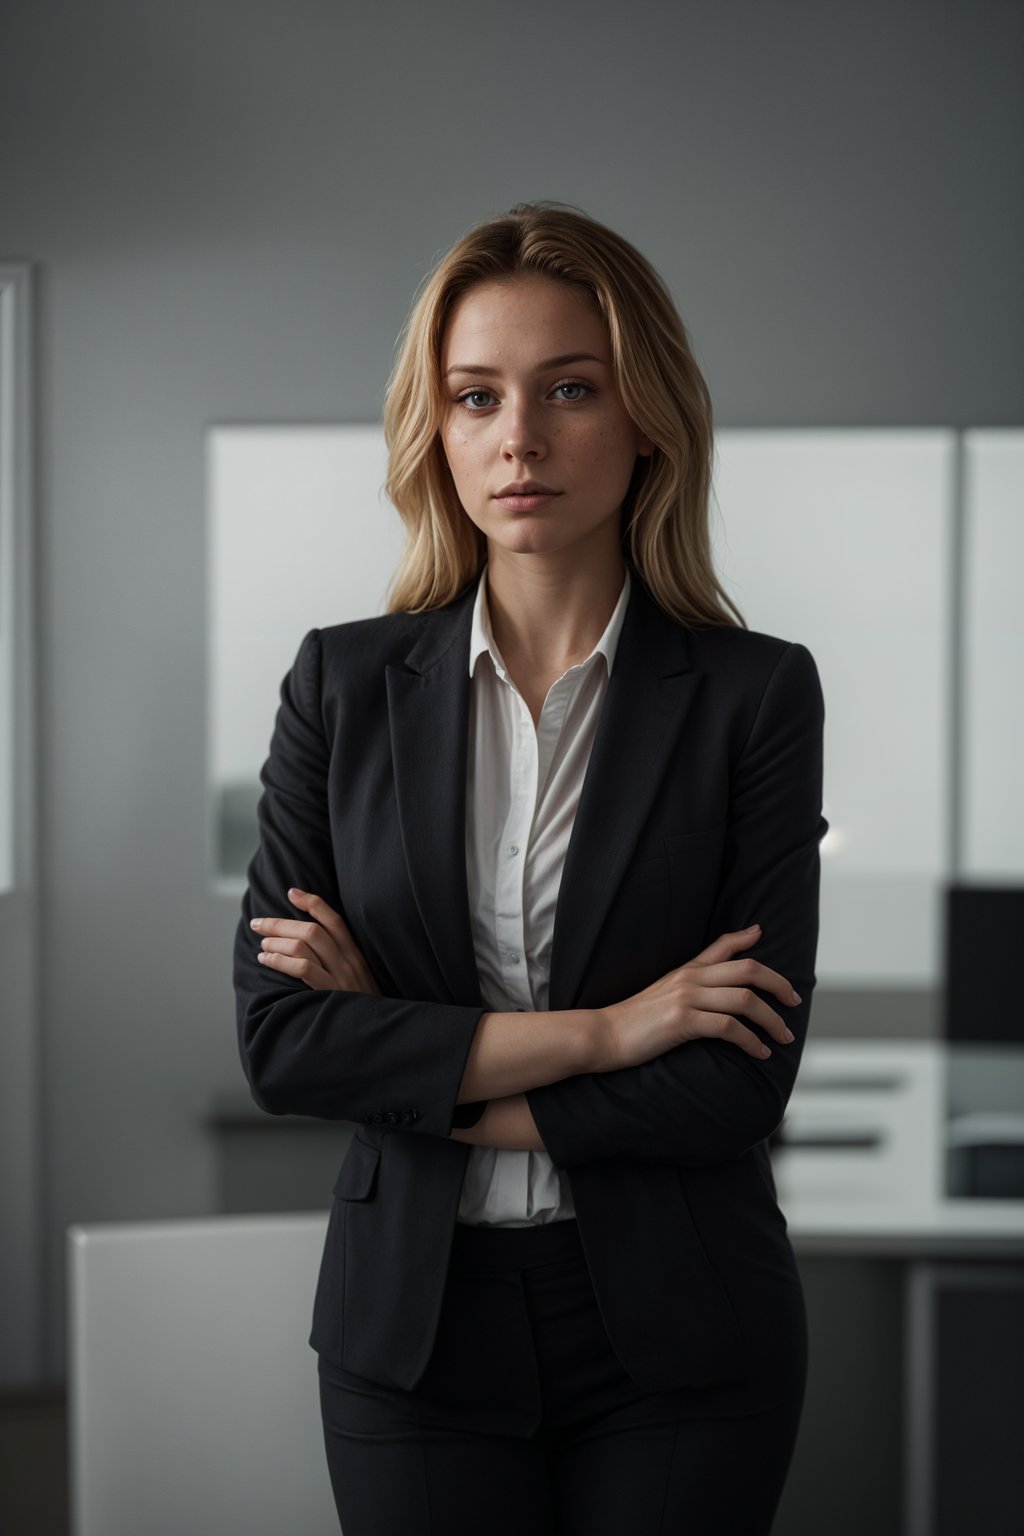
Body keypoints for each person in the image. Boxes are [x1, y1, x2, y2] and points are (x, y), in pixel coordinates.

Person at [234, 201, 827, 1535]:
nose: (520, 438)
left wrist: (412, 1068)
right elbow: (284, 1045)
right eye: (475, 396)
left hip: (681, 1339)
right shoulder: (342, 686)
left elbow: (733, 1085)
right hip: (412, 1337)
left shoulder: (755, 696)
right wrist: (612, 1031)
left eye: (570, 388)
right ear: (435, 430)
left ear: (648, 414)